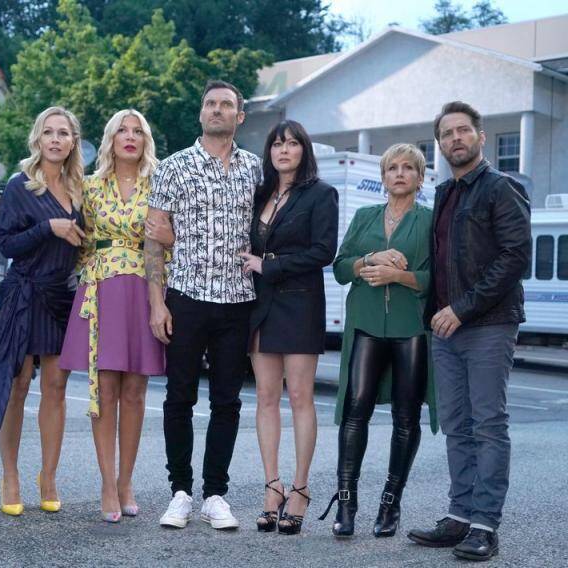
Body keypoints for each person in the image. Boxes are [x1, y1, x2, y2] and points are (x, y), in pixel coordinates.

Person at [408, 102, 530, 562]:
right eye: (447, 133)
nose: (455, 138)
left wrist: (461, 308)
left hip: (488, 324)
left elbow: (514, 257)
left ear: (480, 136)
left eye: (463, 130)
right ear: (439, 144)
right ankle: (460, 516)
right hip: (445, 329)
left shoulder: (502, 188)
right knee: (456, 426)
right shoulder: (444, 193)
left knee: (488, 425)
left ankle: (484, 526)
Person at [146, 80, 261, 530]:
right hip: (186, 297)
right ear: (201, 113)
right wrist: (157, 304)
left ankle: (215, 495)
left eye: (226, 104)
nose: (217, 110)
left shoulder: (255, 169)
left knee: (227, 401)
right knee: (179, 397)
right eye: (210, 103)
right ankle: (180, 492)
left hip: (237, 301)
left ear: (239, 116)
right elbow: (153, 239)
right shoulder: (173, 167)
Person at [0, 106, 86, 517]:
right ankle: (11, 476)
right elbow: (7, 244)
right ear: (37, 139)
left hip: (61, 296)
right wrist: (47, 228)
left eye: (63, 133)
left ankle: (48, 477)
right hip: (23, 293)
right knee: (16, 386)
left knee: (56, 388)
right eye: (48, 132)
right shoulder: (20, 185)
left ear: (73, 142)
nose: (55, 139)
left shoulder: (80, 188)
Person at [59, 109, 173, 522]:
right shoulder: (89, 186)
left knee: (136, 391)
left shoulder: (160, 186)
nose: (130, 136)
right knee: (104, 390)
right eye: (122, 130)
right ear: (110, 139)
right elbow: (81, 244)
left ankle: (126, 481)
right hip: (101, 289)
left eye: (137, 131)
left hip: (145, 290)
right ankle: (107, 483)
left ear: (145, 140)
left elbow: (166, 245)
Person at [319, 143, 437, 538]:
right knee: (356, 411)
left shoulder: (429, 221)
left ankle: (390, 503)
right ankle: (346, 501)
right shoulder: (365, 216)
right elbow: (340, 269)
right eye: (392, 168)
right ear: (383, 177)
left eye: (408, 168)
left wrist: (398, 276)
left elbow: (438, 279)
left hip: (411, 329)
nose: (399, 173)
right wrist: (370, 259)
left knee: (406, 417)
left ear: (420, 178)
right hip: (366, 324)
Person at [238, 120, 338, 534]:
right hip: (260, 306)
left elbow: (324, 251)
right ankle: (272, 487)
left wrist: (269, 265)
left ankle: (300, 488)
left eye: (292, 144)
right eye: (277, 144)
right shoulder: (259, 193)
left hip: (300, 304)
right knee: (265, 397)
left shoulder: (321, 194)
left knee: (299, 397)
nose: (283, 150)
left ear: (303, 150)